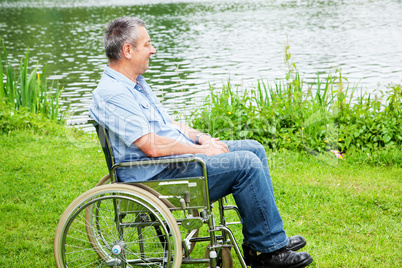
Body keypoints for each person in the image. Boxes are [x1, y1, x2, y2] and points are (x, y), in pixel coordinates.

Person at [89, 16, 313, 268]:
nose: (153, 50)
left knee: (254, 148)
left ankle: (259, 243)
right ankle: (271, 254)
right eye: (147, 44)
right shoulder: (113, 94)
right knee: (246, 164)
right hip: (158, 177)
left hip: (175, 162)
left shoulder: (135, 83)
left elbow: (169, 126)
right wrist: (200, 150)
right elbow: (151, 145)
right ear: (127, 51)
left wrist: (201, 137)